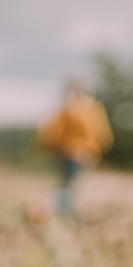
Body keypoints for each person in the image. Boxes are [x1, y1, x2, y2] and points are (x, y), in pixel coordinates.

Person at [37, 82, 113, 215]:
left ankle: (47, 204)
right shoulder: (96, 109)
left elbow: (55, 133)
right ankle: (68, 214)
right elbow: (104, 135)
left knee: (68, 186)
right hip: (88, 155)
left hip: (68, 153)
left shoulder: (67, 109)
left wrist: (50, 148)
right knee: (77, 187)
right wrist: (97, 150)